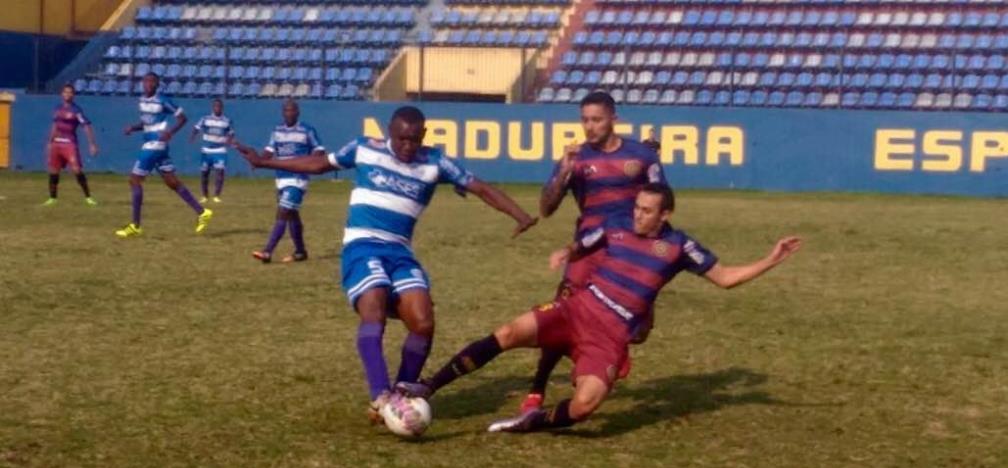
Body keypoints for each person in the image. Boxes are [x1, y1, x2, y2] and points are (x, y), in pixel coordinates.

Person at [397, 183, 802, 433]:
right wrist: (566, 251)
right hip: (577, 308)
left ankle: (531, 423)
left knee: (585, 405)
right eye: (637, 207)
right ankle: (427, 386)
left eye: (647, 211)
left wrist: (771, 259)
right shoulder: (617, 226)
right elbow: (585, 243)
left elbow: (725, 277)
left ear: (666, 214)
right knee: (508, 333)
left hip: (610, 334)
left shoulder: (680, 246)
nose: (638, 215)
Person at [234, 105, 538, 424]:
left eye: (414, 139)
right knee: (374, 304)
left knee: (423, 322)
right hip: (362, 245)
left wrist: (520, 215)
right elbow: (320, 163)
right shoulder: (365, 148)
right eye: (401, 138)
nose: (407, 145)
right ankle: (381, 397)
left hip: (400, 251)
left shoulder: (435, 162)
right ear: (389, 132)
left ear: (423, 135)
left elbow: (481, 187)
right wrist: (265, 162)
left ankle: (402, 392)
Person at [521, 91, 666, 413]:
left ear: (614, 119)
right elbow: (546, 208)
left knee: (639, 331)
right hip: (587, 249)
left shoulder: (641, 156)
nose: (589, 126)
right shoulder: (577, 158)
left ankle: (610, 351)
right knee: (562, 315)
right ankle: (537, 389)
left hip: (628, 252)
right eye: (585, 120)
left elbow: (663, 202)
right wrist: (564, 171)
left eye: (597, 119)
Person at [115, 73, 212, 238]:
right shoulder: (142, 101)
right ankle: (202, 212)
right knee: (172, 182)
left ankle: (135, 225)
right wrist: (133, 128)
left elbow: (182, 118)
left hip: (155, 144)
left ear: (157, 84)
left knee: (134, 180)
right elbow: (147, 123)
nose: (148, 84)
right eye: (146, 81)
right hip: (151, 143)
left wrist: (170, 132)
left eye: (152, 82)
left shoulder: (163, 100)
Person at [250, 99, 324, 264]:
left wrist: (307, 163)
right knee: (291, 215)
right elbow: (269, 150)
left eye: (292, 110)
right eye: (286, 110)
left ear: (297, 112)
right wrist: (259, 161)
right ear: (283, 113)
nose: (289, 113)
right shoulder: (277, 130)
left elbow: (319, 150)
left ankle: (267, 251)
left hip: (298, 178)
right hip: (281, 178)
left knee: (283, 211)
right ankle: (300, 252)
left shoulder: (307, 130)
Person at [43, 83, 99, 206]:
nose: (67, 94)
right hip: (57, 143)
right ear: (61, 94)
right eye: (65, 92)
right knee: (53, 171)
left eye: (70, 92)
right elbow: (55, 125)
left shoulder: (76, 110)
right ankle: (52, 198)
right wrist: (50, 142)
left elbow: (86, 126)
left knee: (76, 169)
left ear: (73, 95)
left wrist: (92, 144)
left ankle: (88, 197)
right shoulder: (57, 109)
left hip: (69, 143)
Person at [189, 98, 234, 204]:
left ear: (222, 108)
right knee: (204, 173)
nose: (217, 108)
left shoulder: (227, 121)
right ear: (213, 107)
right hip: (207, 150)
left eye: (219, 106)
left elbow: (231, 133)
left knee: (220, 172)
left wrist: (229, 140)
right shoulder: (205, 119)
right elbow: (196, 128)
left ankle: (216, 196)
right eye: (215, 106)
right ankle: (205, 196)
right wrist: (193, 136)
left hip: (220, 150)